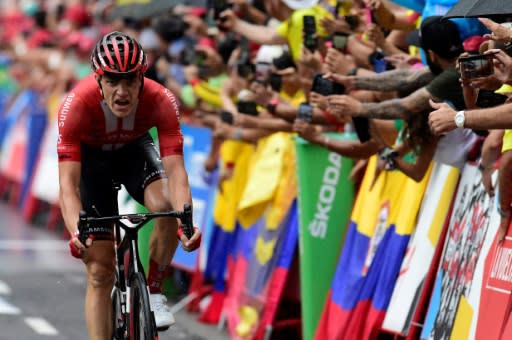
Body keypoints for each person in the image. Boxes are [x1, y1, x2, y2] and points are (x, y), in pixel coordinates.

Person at [57, 31, 202, 339]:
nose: (122, 92)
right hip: (91, 161)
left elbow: (177, 172)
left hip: (134, 150)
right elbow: (68, 186)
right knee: (100, 271)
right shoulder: (76, 105)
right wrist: (75, 231)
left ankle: (153, 289)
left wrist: (185, 222)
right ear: (98, 79)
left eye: (130, 81)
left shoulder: (161, 100)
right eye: (112, 81)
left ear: (141, 78)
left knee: (166, 207)